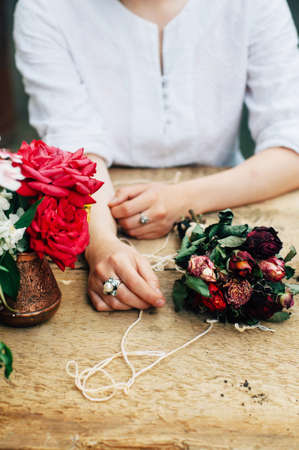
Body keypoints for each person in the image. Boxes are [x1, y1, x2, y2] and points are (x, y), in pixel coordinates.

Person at [14, 0, 299, 312]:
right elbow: (74, 149)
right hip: (100, 210)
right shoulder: (45, 9)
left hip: (232, 205)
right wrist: (102, 245)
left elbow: (291, 146)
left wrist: (182, 200)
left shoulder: (257, 5)